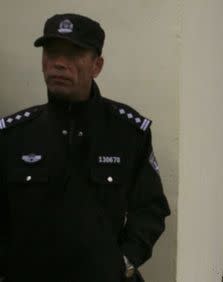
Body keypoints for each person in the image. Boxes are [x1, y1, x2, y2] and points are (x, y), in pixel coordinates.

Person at [0, 13, 170, 282]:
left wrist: (124, 262)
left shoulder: (127, 132)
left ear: (97, 66)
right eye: (51, 53)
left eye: (73, 54)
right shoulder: (14, 135)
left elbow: (150, 209)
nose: (58, 64)